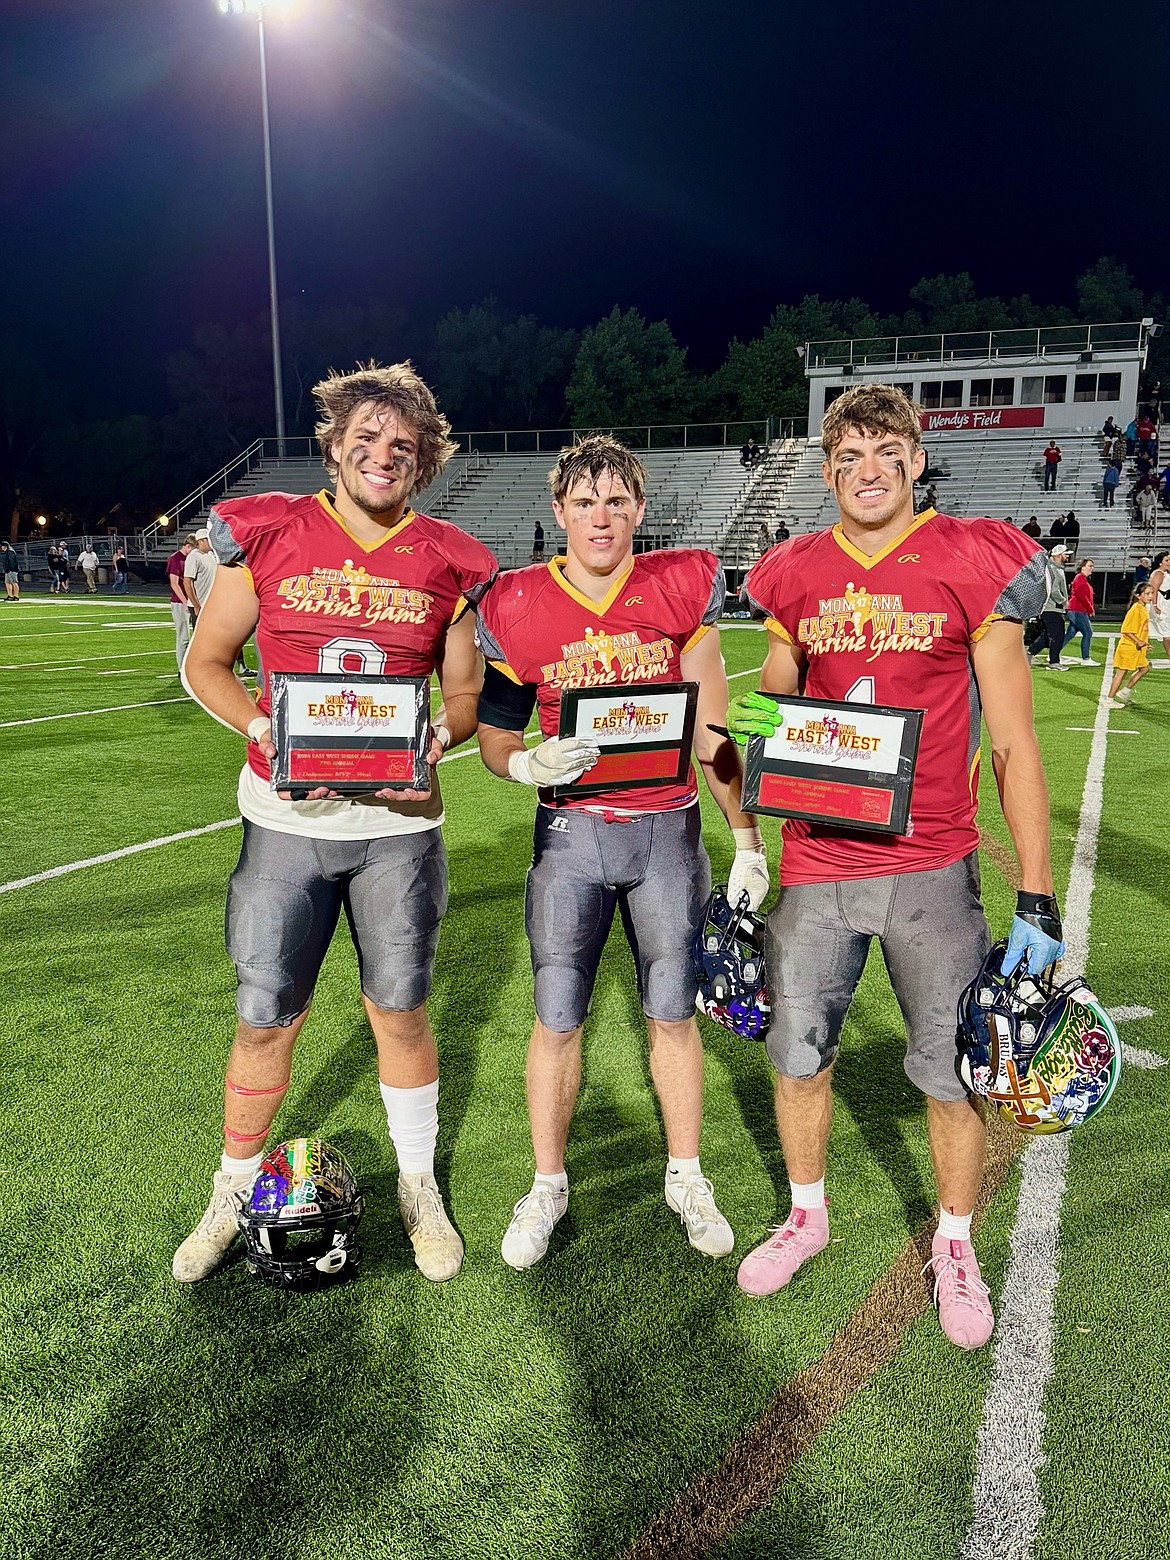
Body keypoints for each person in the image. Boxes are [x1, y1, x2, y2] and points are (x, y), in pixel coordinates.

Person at [728, 382, 1057, 1351]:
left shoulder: (973, 559)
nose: (867, 472)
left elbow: (1014, 746)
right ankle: (806, 1211)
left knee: (952, 1072)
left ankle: (955, 1241)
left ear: (916, 460)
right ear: (828, 471)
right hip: (817, 862)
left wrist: (1034, 894)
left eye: (885, 453)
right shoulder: (793, 574)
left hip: (933, 861)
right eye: (848, 458)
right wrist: (737, 750)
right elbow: (770, 713)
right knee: (799, 1056)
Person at [172, 361, 498, 1286]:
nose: (382, 456)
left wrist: (438, 734)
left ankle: (417, 1183)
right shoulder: (274, 535)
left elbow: (467, 694)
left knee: (399, 1012)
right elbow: (208, 661)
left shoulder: (446, 558)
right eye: (367, 439)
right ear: (335, 444)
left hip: (396, 826)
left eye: (402, 445)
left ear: (424, 460)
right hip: (285, 815)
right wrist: (259, 728)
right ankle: (233, 1188)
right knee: (265, 1015)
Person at [474, 434, 769, 1271]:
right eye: (584, 502)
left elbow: (713, 726)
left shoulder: (679, 589)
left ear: (640, 509)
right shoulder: (521, 603)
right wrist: (525, 762)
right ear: (558, 511)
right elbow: (496, 733)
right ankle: (549, 1182)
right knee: (557, 1014)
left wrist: (744, 835)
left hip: (666, 832)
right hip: (570, 836)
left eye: (616, 501)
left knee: (672, 1013)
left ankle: (686, 1172)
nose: (600, 517)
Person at [186, 528, 251, 676]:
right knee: (202, 640)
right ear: (201, 541)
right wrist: (196, 605)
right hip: (201, 605)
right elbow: (187, 581)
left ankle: (240, 666)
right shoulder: (194, 556)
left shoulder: (211, 555)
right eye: (209, 540)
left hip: (215, 603)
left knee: (230, 635)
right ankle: (195, 670)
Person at [1105, 584, 1155, 708]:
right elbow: (1126, 630)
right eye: (1147, 593)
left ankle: (1125, 692)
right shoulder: (1136, 609)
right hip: (1129, 647)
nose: (1151, 596)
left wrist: (1144, 644)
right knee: (1121, 673)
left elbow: (1140, 629)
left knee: (1145, 668)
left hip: (1137, 648)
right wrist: (1139, 641)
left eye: (1152, 593)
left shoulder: (1143, 608)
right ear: (1139, 595)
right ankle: (1109, 700)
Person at [1027, 543, 1072, 668]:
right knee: (1057, 636)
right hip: (1052, 607)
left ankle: (1030, 652)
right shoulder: (1053, 569)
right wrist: (1064, 601)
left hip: (1051, 607)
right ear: (1057, 555)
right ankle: (1054, 662)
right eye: (1065, 554)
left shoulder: (1054, 568)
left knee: (1049, 634)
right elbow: (1054, 590)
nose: (1067, 557)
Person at [166, 537, 195, 670]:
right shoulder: (175, 558)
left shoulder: (189, 558)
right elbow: (174, 582)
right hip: (180, 602)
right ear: (188, 546)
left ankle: (188, 666)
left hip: (190, 600)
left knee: (193, 637)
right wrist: (184, 600)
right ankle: (181, 668)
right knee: (183, 637)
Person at [1061, 558, 1095, 664]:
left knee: (1070, 633)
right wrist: (1090, 609)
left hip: (1076, 609)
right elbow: (1081, 596)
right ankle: (1086, 658)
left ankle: (1053, 653)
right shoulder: (1080, 578)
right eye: (1090, 565)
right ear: (1083, 567)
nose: (1092, 568)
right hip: (1077, 609)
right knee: (1088, 633)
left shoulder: (1082, 578)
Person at [1149, 551, 1170, 662]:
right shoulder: (1158, 573)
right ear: (1160, 563)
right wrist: (1155, 605)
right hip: (1162, 604)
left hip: (1166, 603)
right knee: (1166, 632)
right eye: (1166, 560)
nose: (1169, 562)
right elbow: (1154, 591)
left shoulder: (1165, 573)